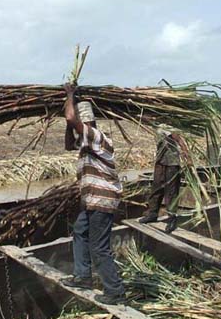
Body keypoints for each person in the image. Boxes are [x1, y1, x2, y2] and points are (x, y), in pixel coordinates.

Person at [60, 84, 126, 305]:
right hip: (91, 202)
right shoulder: (84, 142)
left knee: (99, 247)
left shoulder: (97, 137)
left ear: (86, 122)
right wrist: (69, 118)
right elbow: (69, 143)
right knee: (80, 232)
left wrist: (69, 95)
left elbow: (71, 119)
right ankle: (83, 276)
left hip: (102, 201)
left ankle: (115, 291)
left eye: (81, 123)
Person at [139, 124, 191, 233]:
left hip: (171, 162)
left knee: (171, 192)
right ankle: (153, 213)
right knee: (156, 188)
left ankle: (172, 219)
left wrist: (187, 155)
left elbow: (177, 137)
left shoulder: (165, 123)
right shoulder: (155, 122)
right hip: (160, 160)